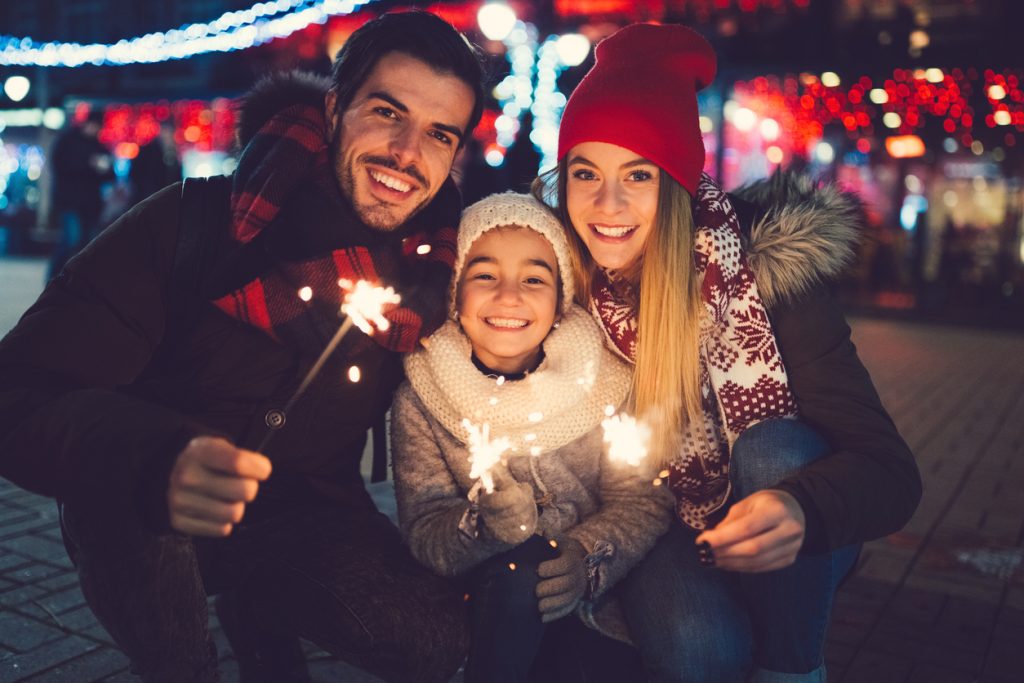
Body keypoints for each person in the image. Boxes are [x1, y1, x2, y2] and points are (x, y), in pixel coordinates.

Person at [0, 11, 485, 683]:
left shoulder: (429, 274)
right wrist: (153, 455)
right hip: (146, 506)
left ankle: (258, 609)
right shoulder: (191, 224)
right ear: (336, 105)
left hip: (301, 513)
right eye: (386, 111)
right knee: (172, 646)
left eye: (438, 133)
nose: (406, 152)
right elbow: (15, 389)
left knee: (430, 636)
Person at [533, 23, 922, 683]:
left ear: (678, 182)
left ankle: (791, 667)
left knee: (771, 447)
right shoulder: (559, 280)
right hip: (658, 518)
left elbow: (892, 474)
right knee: (698, 649)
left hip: (790, 506)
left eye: (639, 174)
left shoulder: (768, 277)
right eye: (585, 172)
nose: (607, 203)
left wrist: (804, 507)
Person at [391, 192, 672, 682]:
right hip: (486, 606)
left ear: (560, 299)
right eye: (484, 275)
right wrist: (481, 525)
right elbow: (426, 531)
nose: (508, 296)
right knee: (522, 564)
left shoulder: (601, 382)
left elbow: (642, 502)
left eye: (535, 279)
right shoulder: (422, 397)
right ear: (455, 291)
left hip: (591, 609)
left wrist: (585, 554)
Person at [47, 107, 115, 280]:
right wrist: (89, 164)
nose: (95, 130)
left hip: (91, 204)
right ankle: (54, 278)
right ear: (86, 123)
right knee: (71, 239)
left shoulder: (99, 146)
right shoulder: (68, 141)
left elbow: (110, 175)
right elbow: (60, 165)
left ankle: (79, 282)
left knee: (88, 245)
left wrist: (105, 169)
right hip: (69, 201)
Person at [129, 121, 183, 207]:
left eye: (169, 132)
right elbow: (138, 173)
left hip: (166, 197)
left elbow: (175, 175)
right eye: (165, 131)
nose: (167, 135)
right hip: (150, 196)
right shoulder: (148, 151)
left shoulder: (172, 152)